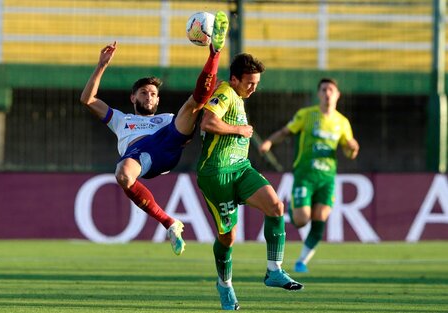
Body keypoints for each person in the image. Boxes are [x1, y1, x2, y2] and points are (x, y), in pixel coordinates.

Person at [80, 11, 229, 256]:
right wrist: (101, 65)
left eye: (152, 93)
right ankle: (170, 223)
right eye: (143, 92)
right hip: (139, 154)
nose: (148, 96)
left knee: (195, 104)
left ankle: (215, 52)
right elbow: (87, 100)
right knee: (124, 175)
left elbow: (189, 125)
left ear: (158, 100)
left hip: (168, 143)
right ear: (133, 97)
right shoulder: (121, 120)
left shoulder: (167, 118)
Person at [196, 53, 304, 311]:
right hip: (216, 173)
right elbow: (208, 121)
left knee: (276, 206)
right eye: (249, 83)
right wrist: (239, 130)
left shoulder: (238, 97)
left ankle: (274, 270)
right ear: (234, 79)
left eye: (256, 83)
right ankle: (224, 285)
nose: (254, 88)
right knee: (228, 238)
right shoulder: (225, 92)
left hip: (241, 168)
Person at [259, 78, 360, 273]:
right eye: (324, 90)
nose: (328, 93)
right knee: (302, 219)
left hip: (327, 178)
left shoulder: (342, 122)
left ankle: (302, 261)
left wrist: (353, 149)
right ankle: (294, 209)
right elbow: (285, 132)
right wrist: (270, 142)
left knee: (321, 216)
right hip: (305, 175)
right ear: (318, 94)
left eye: (331, 89)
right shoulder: (306, 115)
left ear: (338, 95)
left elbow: (349, 149)